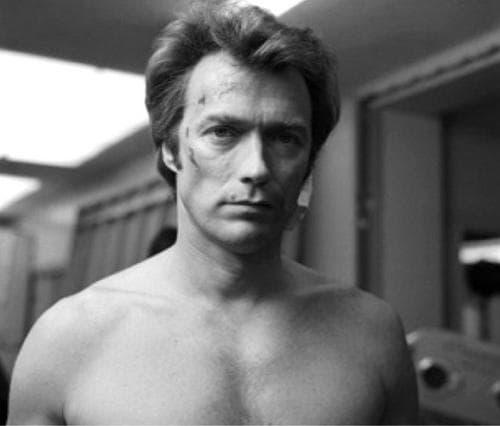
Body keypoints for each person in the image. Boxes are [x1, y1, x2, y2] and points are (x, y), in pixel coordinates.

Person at [7, 1, 418, 424]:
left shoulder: (373, 333)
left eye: (285, 138)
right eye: (223, 132)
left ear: (308, 161)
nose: (257, 168)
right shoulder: (68, 339)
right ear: (171, 150)